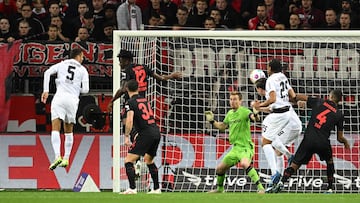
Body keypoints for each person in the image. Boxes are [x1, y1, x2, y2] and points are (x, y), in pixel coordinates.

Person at [271, 89, 350, 193]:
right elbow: (340, 138)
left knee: (295, 164)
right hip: (323, 142)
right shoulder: (339, 114)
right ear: (340, 100)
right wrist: (345, 142)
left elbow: (300, 96)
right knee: (329, 162)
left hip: (308, 139)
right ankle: (330, 188)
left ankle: (282, 182)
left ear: (330, 96)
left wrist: (290, 98)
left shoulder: (319, 101)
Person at [252, 59, 299, 191]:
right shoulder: (283, 77)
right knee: (274, 144)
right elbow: (293, 95)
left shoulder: (271, 80)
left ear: (270, 68)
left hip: (279, 115)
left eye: (267, 67)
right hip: (287, 114)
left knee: (265, 142)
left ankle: (275, 173)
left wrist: (258, 105)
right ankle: (288, 159)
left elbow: (272, 99)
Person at [205, 91, 265, 194]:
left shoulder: (244, 111)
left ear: (240, 101)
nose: (232, 102)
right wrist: (212, 121)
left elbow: (255, 119)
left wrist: (256, 113)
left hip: (245, 147)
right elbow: (222, 127)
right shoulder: (229, 114)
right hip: (235, 148)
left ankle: (261, 188)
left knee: (244, 163)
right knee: (219, 169)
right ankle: (220, 189)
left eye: (235, 99)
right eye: (231, 99)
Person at [41, 48, 89, 170]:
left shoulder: (61, 65)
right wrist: (76, 88)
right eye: (82, 56)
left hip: (59, 98)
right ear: (78, 56)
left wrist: (46, 90)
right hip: (72, 100)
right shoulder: (83, 70)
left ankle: (57, 156)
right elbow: (86, 90)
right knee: (69, 130)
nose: (83, 59)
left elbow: (47, 73)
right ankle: (66, 158)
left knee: (55, 128)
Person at [121, 79, 161, 194]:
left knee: (128, 161)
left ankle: (132, 189)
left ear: (127, 89)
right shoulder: (145, 100)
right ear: (138, 89)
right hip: (156, 132)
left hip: (146, 133)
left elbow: (129, 120)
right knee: (149, 160)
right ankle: (156, 189)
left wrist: (127, 136)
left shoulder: (130, 102)